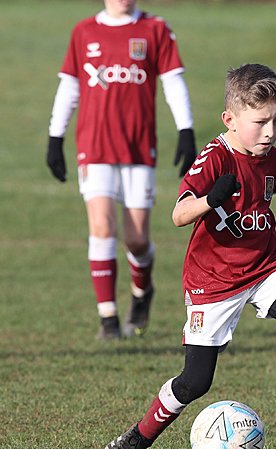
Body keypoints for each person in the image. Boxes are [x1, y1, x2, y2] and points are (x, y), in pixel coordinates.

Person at [101, 64, 276, 449]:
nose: (270, 131)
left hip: (263, 266)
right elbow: (178, 215)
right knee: (195, 381)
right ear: (230, 119)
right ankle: (135, 440)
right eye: (260, 122)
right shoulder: (214, 158)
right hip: (213, 280)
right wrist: (210, 199)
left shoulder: (272, 158)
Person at [46, 0, 198, 339]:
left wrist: (185, 130)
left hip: (139, 148)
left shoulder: (155, 28)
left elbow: (173, 82)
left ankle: (142, 293)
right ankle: (109, 320)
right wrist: (55, 137)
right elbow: (70, 87)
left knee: (137, 239)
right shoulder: (84, 31)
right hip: (94, 145)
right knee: (101, 227)